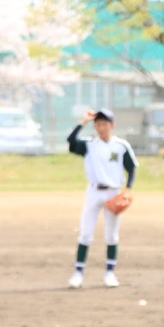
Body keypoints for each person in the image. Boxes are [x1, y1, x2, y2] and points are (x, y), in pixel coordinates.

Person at [66, 109, 138, 289]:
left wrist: (128, 189)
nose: (101, 127)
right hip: (94, 192)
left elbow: (131, 168)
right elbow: (71, 141)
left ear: (112, 125)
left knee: (111, 235)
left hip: (113, 192)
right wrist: (83, 122)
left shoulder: (121, 146)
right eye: (97, 124)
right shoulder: (89, 145)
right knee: (86, 233)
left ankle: (109, 273)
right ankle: (78, 274)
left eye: (104, 123)